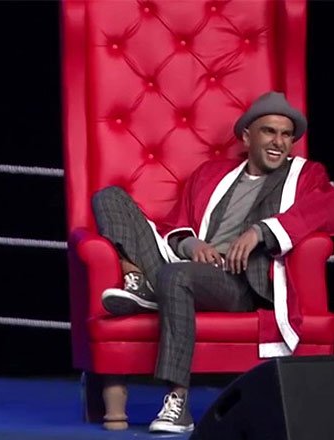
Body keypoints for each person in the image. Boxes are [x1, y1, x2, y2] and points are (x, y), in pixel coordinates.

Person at [92, 91, 334, 433]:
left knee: (175, 277)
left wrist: (261, 231)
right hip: (184, 264)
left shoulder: (305, 175)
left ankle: (178, 401)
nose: (279, 142)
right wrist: (192, 244)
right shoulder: (212, 174)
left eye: (286, 134)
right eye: (269, 131)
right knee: (109, 198)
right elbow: (175, 224)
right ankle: (139, 280)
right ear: (247, 137)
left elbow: (326, 206)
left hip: (236, 281)